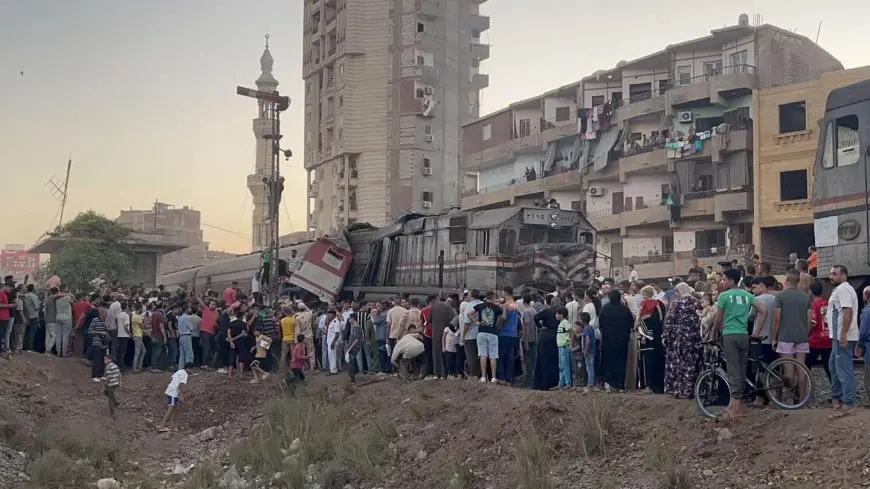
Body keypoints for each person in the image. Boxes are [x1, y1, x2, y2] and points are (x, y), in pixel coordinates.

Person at [715, 268, 767, 420]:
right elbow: (763, 311)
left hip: (729, 335)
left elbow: (718, 319)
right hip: (744, 335)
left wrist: (713, 334)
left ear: (732, 280)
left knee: (733, 371)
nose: (723, 282)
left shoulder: (724, 296)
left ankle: (736, 409)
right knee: (742, 370)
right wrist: (756, 332)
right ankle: (733, 405)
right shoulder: (747, 295)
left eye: (724, 279)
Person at [827, 265, 859, 418]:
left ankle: (848, 402)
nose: (831, 276)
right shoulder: (841, 290)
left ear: (843, 275)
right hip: (837, 336)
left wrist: (843, 335)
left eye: (834, 274)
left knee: (843, 368)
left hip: (841, 336)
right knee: (834, 365)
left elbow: (848, 311)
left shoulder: (844, 290)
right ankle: (837, 398)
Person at [772, 269, 813, 386]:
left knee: (788, 370)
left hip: (785, 337)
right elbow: (809, 320)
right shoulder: (806, 297)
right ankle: (802, 398)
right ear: (798, 280)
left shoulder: (780, 297)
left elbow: (777, 319)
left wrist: (774, 338)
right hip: (802, 337)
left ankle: (790, 401)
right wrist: (806, 333)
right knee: (801, 368)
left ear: (787, 279)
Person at [662, 282, 701, 399]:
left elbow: (669, 321)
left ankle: (679, 390)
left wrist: (665, 337)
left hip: (679, 339)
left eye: (677, 291)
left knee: (678, 364)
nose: (676, 294)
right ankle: (691, 390)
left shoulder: (677, 303)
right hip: (694, 338)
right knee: (692, 364)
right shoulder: (696, 302)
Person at [599, 290, 633, 392]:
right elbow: (631, 323)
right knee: (621, 362)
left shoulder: (605, 309)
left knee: (608, 362)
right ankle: (621, 385)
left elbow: (601, 324)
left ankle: (609, 384)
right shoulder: (625, 309)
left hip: (608, 341)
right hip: (622, 341)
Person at [470, 291, 503, 383]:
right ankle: (493, 377)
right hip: (493, 332)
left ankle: (483, 377)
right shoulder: (497, 307)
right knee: (493, 355)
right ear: (493, 298)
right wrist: (498, 326)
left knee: (483, 354)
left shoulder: (480, 306)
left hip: (481, 332)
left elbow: (469, 313)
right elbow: (503, 318)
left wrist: (475, 322)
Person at [807, 281, 832, 383]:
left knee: (805, 364)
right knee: (829, 368)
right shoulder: (827, 303)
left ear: (811, 292)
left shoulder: (814, 305)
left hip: (815, 341)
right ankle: (836, 393)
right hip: (828, 339)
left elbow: (813, 323)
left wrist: (806, 334)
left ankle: (806, 386)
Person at [157, 365, 190, 432]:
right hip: (173, 392)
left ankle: (171, 425)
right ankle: (162, 425)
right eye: (192, 369)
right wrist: (181, 395)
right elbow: (180, 385)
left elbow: (171, 378)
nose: (192, 371)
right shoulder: (185, 374)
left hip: (170, 389)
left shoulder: (180, 371)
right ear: (188, 368)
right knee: (170, 408)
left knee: (174, 408)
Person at [88, 308, 110, 382]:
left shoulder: (106, 321)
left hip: (104, 344)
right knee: (96, 360)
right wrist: (99, 333)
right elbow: (90, 331)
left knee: (103, 361)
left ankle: (100, 375)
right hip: (97, 343)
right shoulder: (95, 320)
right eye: (105, 313)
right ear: (101, 313)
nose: (106, 314)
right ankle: (94, 376)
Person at [555, 307, 572, 389]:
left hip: (564, 345)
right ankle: (561, 383)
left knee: (565, 365)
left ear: (561, 314)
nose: (556, 315)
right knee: (561, 365)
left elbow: (571, 331)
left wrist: (571, 343)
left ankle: (568, 383)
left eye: (557, 314)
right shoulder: (561, 323)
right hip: (560, 346)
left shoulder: (565, 322)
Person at [581, 312, 597, 393]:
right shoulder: (591, 328)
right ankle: (591, 384)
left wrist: (585, 351)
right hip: (592, 350)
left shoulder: (586, 329)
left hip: (589, 351)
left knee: (589, 368)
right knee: (590, 368)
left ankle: (590, 385)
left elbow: (587, 341)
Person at [346, 313, 363, 384]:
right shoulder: (353, 326)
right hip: (352, 347)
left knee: (351, 363)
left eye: (350, 318)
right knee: (351, 363)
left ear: (353, 319)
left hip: (354, 347)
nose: (349, 320)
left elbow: (356, 339)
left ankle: (352, 380)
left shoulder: (356, 327)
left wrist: (350, 348)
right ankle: (351, 377)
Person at [131, 303, 147, 372]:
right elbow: (143, 327)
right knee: (138, 352)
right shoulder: (137, 317)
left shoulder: (134, 316)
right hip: (138, 335)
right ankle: (135, 367)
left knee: (143, 351)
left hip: (137, 335)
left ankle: (139, 366)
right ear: (140, 308)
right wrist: (146, 321)